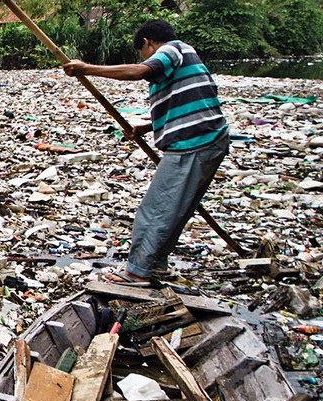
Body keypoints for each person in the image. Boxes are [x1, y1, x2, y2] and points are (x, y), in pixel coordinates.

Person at [62, 20, 229, 285]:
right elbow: (188, 102)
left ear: (147, 42)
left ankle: (137, 272)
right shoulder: (186, 56)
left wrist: (88, 69)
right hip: (207, 139)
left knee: (157, 209)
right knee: (176, 209)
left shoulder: (172, 50)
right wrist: (149, 126)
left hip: (193, 143)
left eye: (141, 50)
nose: (143, 56)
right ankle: (156, 265)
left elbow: (140, 71)